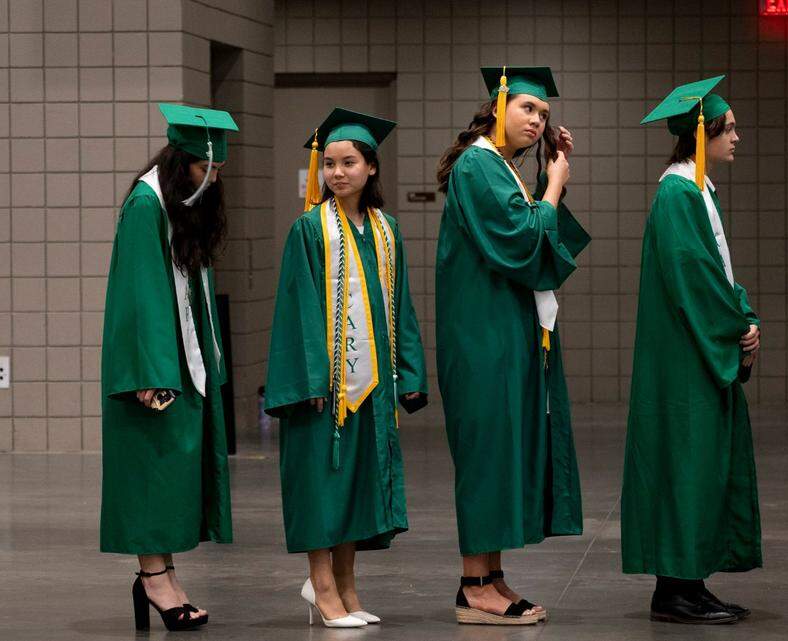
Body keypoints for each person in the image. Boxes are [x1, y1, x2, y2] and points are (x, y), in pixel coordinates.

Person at [434, 66, 589, 625]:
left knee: (499, 458)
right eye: (527, 108)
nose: (537, 119)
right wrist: (552, 187)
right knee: (485, 460)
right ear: (498, 106)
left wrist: (548, 177)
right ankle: (474, 585)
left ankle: (491, 576)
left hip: (501, 334)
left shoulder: (496, 167)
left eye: (543, 114)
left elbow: (535, 238)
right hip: (481, 340)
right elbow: (524, 241)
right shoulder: (478, 164)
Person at [265, 108, 428, 628]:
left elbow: (399, 307)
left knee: (357, 484)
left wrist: (411, 373)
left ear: (371, 167)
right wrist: (311, 379)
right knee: (321, 485)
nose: (337, 172)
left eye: (349, 162)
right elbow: (298, 309)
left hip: (372, 386)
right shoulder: (308, 230)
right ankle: (324, 586)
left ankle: (348, 586)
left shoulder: (386, 230)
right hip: (324, 391)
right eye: (329, 163)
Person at [621, 75, 762, 625]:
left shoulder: (699, 189)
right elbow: (695, 280)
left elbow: (717, 274)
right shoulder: (677, 194)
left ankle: (691, 582)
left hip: (696, 351)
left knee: (700, 467)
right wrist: (736, 327)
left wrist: (743, 315)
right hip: (683, 359)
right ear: (701, 135)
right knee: (685, 464)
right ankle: (674, 589)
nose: (737, 137)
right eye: (729, 129)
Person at [100, 103, 237, 631]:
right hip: (152, 366)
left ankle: (163, 573)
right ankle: (153, 579)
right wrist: (152, 372)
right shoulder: (146, 204)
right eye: (208, 169)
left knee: (172, 472)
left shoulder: (178, 205)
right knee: (152, 470)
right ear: (183, 163)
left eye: (219, 170)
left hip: (179, 357)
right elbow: (139, 295)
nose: (213, 179)